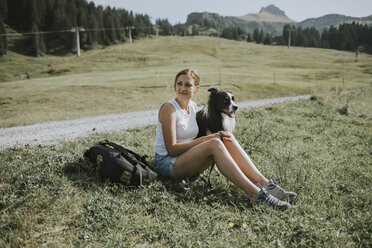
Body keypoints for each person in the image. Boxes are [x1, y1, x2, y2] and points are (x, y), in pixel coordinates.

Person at [154, 69, 297, 210]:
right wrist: (208, 139)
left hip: (185, 159)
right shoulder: (169, 109)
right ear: (175, 86)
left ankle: (265, 183)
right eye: (179, 84)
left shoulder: (192, 106)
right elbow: (171, 149)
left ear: (196, 89)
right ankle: (256, 194)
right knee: (215, 141)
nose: (182, 88)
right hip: (167, 163)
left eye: (188, 85)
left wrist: (213, 137)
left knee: (227, 137)